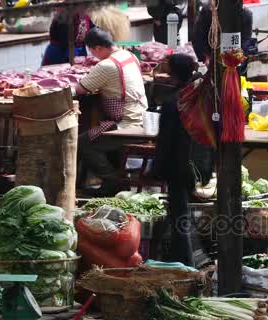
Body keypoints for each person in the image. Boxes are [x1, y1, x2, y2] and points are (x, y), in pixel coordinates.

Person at [75, 28, 148, 195]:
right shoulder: (128, 55)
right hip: (141, 116)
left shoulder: (107, 65)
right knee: (93, 138)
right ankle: (116, 179)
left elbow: (80, 88)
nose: (93, 55)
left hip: (127, 124)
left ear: (97, 48)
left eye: (93, 52)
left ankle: (112, 181)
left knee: (83, 143)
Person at [153, 53, 201, 266]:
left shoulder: (173, 102)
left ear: (172, 73)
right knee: (187, 211)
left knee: (180, 212)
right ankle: (192, 257)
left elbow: (165, 141)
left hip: (177, 165)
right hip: (196, 163)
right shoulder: (195, 95)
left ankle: (186, 261)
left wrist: (157, 169)